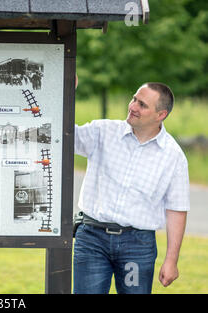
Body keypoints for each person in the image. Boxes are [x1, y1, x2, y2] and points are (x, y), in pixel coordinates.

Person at [73, 82, 190, 294]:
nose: (133, 106)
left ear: (160, 114)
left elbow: (176, 209)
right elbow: (62, 136)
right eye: (134, 99)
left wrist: (171, 260)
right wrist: (65, 90)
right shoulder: (102, 131)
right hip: (92, 239)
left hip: (137, 246)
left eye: (142, 104)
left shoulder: (174, 157)